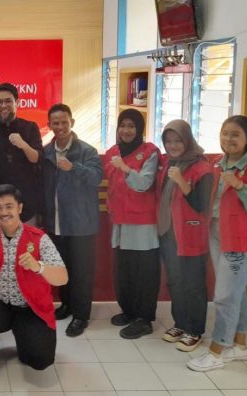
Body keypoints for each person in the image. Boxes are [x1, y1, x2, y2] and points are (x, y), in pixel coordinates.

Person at [187, 115, 247, 372]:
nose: (228, 139)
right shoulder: (218, 164)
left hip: (242, 241)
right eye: (225, 133)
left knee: (225, 295)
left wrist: (240, 187)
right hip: (218, 233)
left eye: (235, 134)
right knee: (236, 291)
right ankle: (240, 345)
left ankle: (217, 351)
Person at [0, 184, 67, 380]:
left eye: (9, 206)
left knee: (40, 361)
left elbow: (62, 277)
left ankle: (24, 336)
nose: (3, 212)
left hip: (30, 307)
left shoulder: (39, 238)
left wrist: (39, 267)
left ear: (19, 208)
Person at [42, 104, 103, 337]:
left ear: (72, 123)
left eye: (64, 122)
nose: (60, 127)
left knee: (81, 272)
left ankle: (81, 315)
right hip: (56, 223)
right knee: (62, 269)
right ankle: (67, 305)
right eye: (55, 123)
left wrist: (72, 167)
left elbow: (96, 177)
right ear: (49, 125)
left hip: (81, 224)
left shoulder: (87, 151)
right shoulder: (47, 152)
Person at [104, 109, 161, 339]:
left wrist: (126, 169)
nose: (126, 130)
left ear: (140, 129)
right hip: (119, 221)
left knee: (144, 272)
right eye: (122, 125)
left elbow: (144, 183)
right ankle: (128, 311)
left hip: (142, 223)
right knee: (124, 270)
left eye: (132, 126)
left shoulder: (150, 152)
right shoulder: (113, 152)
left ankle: (144, 318)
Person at [156, 120, 212, 352]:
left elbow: (201, 203)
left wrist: (181, 181)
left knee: (194, 284)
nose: (173, 145)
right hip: (169, 233)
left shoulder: (203, 168)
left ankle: (195, 330)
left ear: (188, 140)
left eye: (178, 140)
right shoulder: (170, 163)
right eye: (168, 141)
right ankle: (180, 323)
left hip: (191, 234)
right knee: (175, 281)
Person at [0, 83, 43, 225]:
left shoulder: (30, 127)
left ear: (16, 102)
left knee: (27, 246)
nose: (4, 105)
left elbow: (36, 158)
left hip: (26, 203)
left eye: (8, 101)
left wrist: (24, 145)